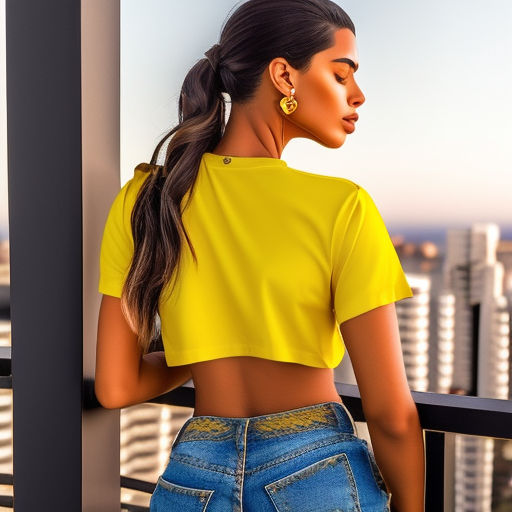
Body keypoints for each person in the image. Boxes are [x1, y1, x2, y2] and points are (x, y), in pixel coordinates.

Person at [95, 0, 425, 510]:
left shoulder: (146, 198)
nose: (357, 94)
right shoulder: (343, 207)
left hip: (192, 480)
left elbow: (116, 387)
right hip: (318, 476)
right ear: (283, 76)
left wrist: (200, 350)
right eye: (341, 75)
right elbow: (389, 413)